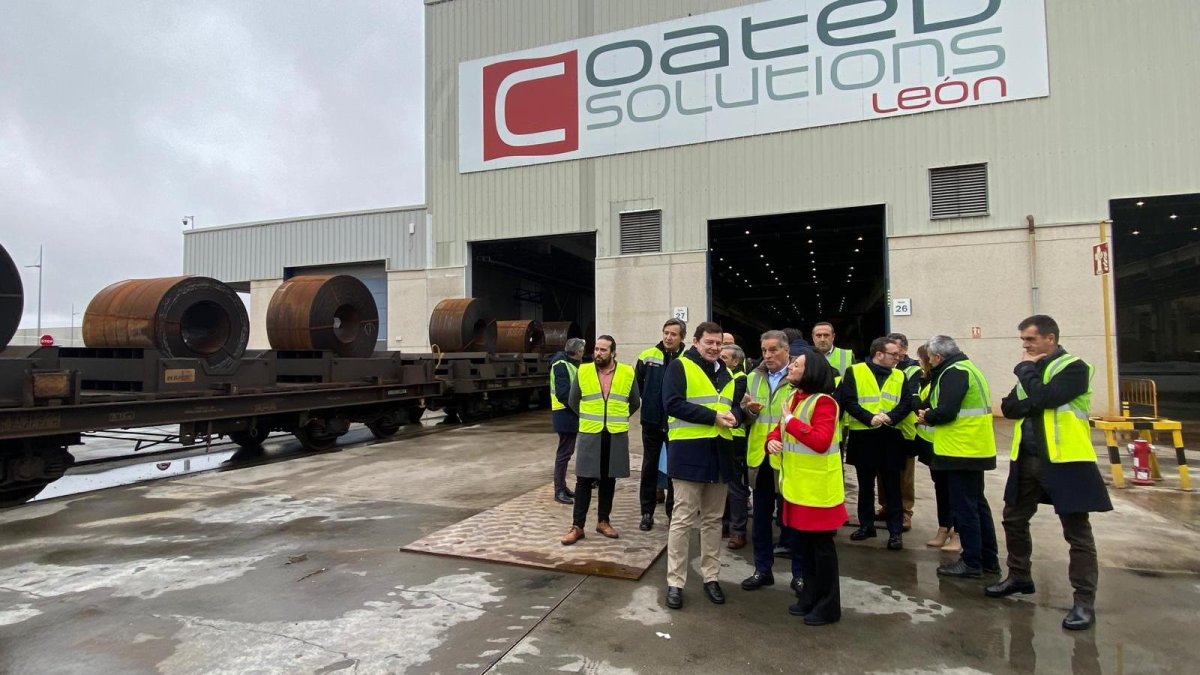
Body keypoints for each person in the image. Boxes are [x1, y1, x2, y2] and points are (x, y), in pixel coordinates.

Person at [991, 315, 1112, 631]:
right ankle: (1019, 576)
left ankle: (1084, 601)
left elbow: (1046, 399)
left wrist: (1025, 375)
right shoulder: (1035, 372)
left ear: (1050, 338)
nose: (1025, 347)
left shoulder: (1074, 368)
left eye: (1030, 340)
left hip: (1065, 461)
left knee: (1077, 533)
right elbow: (1009, 407)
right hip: (1027, 458)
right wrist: (1033, 392)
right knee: (1014, 518)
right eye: (1023, 341)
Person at [662, 321, 746, 610]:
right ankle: (675, 582)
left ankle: (711, 577)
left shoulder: (728, 374)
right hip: (688, 454)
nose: (713, 347)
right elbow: (672, 404)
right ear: (696, 342)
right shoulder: (680, 367)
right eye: (708, 342)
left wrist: (738, 415)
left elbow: (733, 407)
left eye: (718, 343)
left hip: (720, 455)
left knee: (712, 521)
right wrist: (713, 417)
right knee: (683, 520)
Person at [766, 350, 844, 625]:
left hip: (818, 492)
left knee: (821, 551)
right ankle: (810, 597)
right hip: (798, 489)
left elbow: (820, 441)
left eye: (796, 365)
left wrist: (790, 422)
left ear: (810, 371)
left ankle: (829, 605)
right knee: (805, 549)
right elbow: (778, 430)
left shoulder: (824, 403)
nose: (791, 367)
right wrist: (771, 441)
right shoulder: (794, 399)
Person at [918, 335, 1000, 579]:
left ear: (938, 357)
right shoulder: (968, 368)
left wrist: (927, 416)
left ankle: (971, 561)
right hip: (974, 447)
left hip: (960, 450)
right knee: (977, 506)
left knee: (965, 509)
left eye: (931, 359)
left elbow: (947, 411)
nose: (929, 363)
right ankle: (988, 559)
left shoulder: (953, 372)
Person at [739, 330, 803, 595]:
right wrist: (747, 412)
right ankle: (762, 570)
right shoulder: (752, 378)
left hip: (789, 459)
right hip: (760, 458)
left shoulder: (799, 378)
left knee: (794, 521)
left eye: (773, 350)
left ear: (786, 350)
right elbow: (742, 416)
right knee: (762, 520)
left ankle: (800, 575)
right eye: (764, 350)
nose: (768, 355)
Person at [561, 335, 641, 545]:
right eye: (596, 349)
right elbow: (573, 401)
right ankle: (577, 526)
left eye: (603, 350)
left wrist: (616, 417)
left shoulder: (627, 372)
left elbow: (634, 402)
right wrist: (590, 418)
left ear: (613, 352)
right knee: (584, 480)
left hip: (614, 433)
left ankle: (603, 521)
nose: (598, 353)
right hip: (590, 433)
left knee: (608, 479)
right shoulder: (583, 370)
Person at [839, 337, 911, 550]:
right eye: (893, 355)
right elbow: (848, 400)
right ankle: (866, 525)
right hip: (864, 434)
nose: (897, 359)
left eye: (898, 355)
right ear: (879, 354)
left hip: (890, 434)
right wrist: (868, 418)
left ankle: (895, 532)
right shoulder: (855, 371)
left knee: (892, 487)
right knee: (865, 485)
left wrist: (890, 417)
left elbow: (906, 402)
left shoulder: (900, 375)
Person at [636, 318, 685, 531]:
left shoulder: (688, 359)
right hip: (651, 421)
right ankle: (646, 512)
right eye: (666, 332)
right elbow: (638, 385)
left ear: (681, 336)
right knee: (649, 467)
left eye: (673, 334)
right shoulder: (648, 356)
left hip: (677, 424)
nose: (668, 337)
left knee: (675, 469)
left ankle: (672, 512)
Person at [912, 344, 956, 550]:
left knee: (952, 490)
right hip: (932, 444)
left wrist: (915, 401)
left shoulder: (944, 379)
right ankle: (943, 528)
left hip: (947, 444)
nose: (921, 364)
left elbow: (928, 408)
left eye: (923, 360)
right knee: (941, 488)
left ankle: (956, 532)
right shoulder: (928, 380)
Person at [877, 332, 920, 532]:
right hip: (881, 428)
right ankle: (886, 506)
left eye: (895, 350)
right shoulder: (880, 368)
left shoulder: (912, 370)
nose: (892, 354)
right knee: (883, 471)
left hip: (903, 429)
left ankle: (904, 511)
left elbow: (910, 400)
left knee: (904, 475)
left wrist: (890, 417)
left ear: (903, 350)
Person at [719, 344, 750, 550]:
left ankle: (737, 530)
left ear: (735, 361)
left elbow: (730, 404)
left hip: (735, 438)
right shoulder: (722, 376)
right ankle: (725, 524)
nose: (719, 360)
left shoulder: (739, 379)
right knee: (723, 485)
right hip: (722, 436)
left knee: (735, 487)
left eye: (724, 357)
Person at [549, 338, 585, 504]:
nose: (584, 353)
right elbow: (563, 394)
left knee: (566, 452)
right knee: (564, 453)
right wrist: (579, 408)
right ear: (578, 351)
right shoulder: (561, 365)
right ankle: (559, 490)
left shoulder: (571, 363)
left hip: (569, 413)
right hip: (565, 413)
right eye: (583, 350)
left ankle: (562, 487)